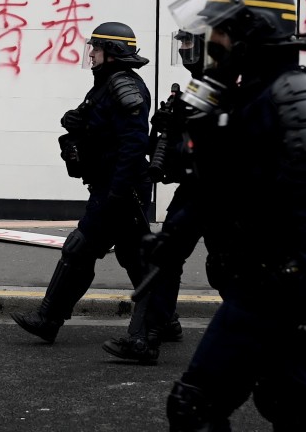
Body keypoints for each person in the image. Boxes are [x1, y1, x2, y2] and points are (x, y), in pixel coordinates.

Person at [164, 0, 306, 432]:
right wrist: (172, 238)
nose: (214, 40)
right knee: (291, 408)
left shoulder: (293, 95)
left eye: (221, 29)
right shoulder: (246, 93)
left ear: (253, 30)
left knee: (195, 406)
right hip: (253, 277)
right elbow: (217, 185)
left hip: (275, 289)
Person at [12, 21, 153, 345]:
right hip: (113, 184)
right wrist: (76, 122)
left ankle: (49, 319)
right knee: (134, 257)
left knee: (81, 248)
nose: (91, 53)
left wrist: (117, 192)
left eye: (97, 48)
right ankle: (165, 322)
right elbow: (102, 124)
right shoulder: (107, 83)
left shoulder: (123, 86)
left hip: (120, 187)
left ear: (112, 52)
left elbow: (133, 144)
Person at [100, 30, 210, 364]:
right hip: (199, 190)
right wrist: (167, 135)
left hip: (227, 195)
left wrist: (187, 129)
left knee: (236, 273)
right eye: (182, 45)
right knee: (164, 259)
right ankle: (145, 338)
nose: (184, 51)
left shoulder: (226, 88)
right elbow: (180, 162)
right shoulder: (198, 89)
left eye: (190, 44)